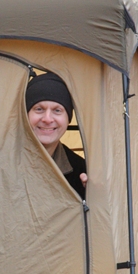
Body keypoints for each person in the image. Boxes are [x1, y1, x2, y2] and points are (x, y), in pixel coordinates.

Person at [26, 72, 87, 200]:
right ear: (25, 116)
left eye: (57, 110)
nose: (47, 119)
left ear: (68, 119)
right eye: (39, 109)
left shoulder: (80, 170)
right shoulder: (0, 161)